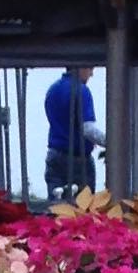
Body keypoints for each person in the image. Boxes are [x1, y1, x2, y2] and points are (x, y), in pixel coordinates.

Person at [45, 64, 98, 198]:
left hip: (55, 156)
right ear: (80, 67)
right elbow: (88, 129)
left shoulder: (52, 90)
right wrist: (111, 142)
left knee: (56, 208)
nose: (91, 74)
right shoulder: (82, 90)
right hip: (78, 161)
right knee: (81, 211)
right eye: (90, 68)